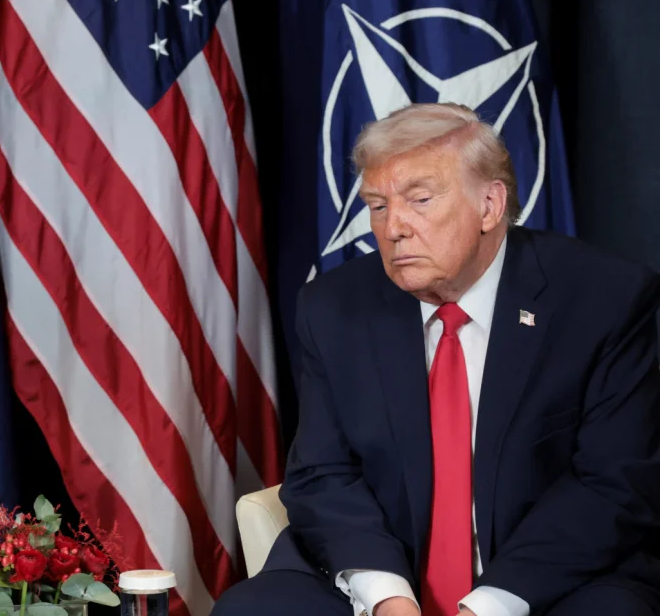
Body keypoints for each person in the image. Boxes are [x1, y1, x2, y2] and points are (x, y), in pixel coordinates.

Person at [213, 103, 660, 616]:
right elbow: (322, 473)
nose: (393, 228)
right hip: (380, 567)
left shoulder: (602, 299)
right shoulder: (335, 307)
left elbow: (613, 483)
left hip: (548, 578)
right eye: (377, 206)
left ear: (490, 206)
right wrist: (386, 597)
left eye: (419, 200)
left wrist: (490, 604)